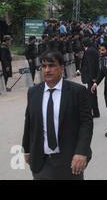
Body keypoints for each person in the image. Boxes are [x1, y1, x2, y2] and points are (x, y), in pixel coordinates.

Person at [22, 51, 93, 180]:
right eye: (43, 66)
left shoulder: (77, 92)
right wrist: (26, 149)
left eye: (51, 66)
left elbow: (86, 124)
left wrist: (81, 152)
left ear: (61, 68)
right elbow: (29, 122)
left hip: (70, 160)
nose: (47, 70)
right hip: (41, 161)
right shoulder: (33, 92)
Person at [78, 38, 100, 118]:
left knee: (91, 95)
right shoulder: (92, 49)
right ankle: (95, 112)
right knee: (92, 94)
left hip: (91, 77)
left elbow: (92, 65)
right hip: (91, 76)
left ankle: (93, 112)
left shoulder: (89, 51)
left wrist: (94, 77)